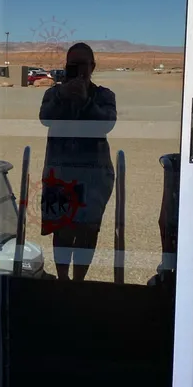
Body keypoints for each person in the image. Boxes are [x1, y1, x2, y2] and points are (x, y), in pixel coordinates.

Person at [39, 43, 117, 281]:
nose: (79, 69)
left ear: (93, 66)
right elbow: (45, 118)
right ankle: (63, 280)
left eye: (84, 64)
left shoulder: (104, 96)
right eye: (73, 64)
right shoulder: (53, 94)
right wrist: (64, 96)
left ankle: (79, 283)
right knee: (61, 230)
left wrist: (86, 101)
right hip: (60, 173)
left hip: (93, 175)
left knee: (88, 231)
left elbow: (107, 124)